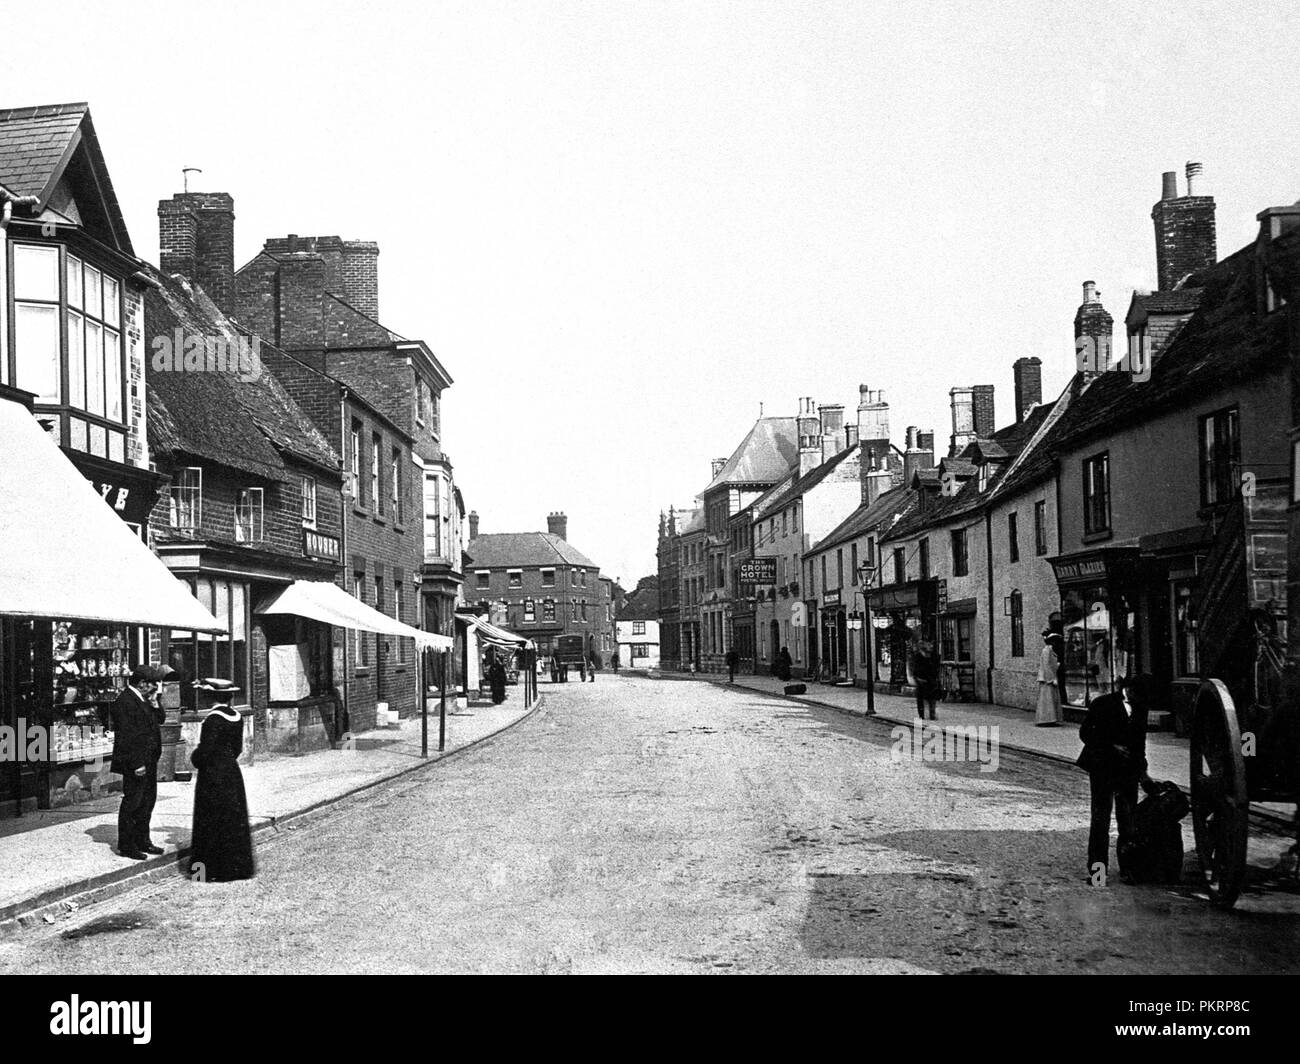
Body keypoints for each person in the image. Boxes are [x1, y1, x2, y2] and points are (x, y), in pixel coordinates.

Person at [1077, 673, 1155, 884]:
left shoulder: (1141, 708)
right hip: (1103, 769)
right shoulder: (1102, 703)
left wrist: (1143, 774)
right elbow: (1085, 734)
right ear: (1128, 689)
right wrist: (1112, 747)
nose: (1140, 700)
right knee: (1101, 821)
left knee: (1128, 822)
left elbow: (1140, 744)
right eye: (1138, 694)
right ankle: (1098, 873)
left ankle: (1129, 870)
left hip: (1127, 771)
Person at [189, 690, 255, 882]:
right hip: (231, 772)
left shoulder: (212, 720)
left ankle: (209, 871)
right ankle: (235, 869)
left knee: (210, 818)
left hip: (212, 774)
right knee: (232, 817)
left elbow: (205, 750)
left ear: (211, 697)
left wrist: (196, 759)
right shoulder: (236, 716)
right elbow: (237, 748)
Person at [108, 666, 166, 860]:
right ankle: (127, 845)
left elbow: (160, 720)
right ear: (142, 683)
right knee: (133, 802)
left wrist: (155, 702)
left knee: (147, 801)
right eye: (153, 684)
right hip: (136, 762)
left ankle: (143, 840)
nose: (154, 688)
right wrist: (136, 764)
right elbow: (127, 737)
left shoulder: (144, 699)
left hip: (149, 760)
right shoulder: (125, 701)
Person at [1036, 629, 1064, 726]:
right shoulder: (1046, 650)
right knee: (1047, 700)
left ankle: (1050, 719)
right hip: (1047, 679)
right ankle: (1046, 719)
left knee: (1050, 699)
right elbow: (1046, 666)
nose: (1056, 643)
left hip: (1048, 678)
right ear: (1051, 641)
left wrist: (1056, 665)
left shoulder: (1050, 650)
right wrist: (1052, 679)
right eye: (1054, 640)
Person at [908, 636, 941, 720]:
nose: (931, 646)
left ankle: (932, 714)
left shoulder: (934, 656)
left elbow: (936, 667)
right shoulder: (918, 657)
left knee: (932, 698)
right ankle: (922, 715)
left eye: (931, 644)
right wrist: (917, 678)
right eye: (929, 644)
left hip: (931, 679)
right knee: (922, 698)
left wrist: (936, 677)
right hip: (921, 680)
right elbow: (914, 669)